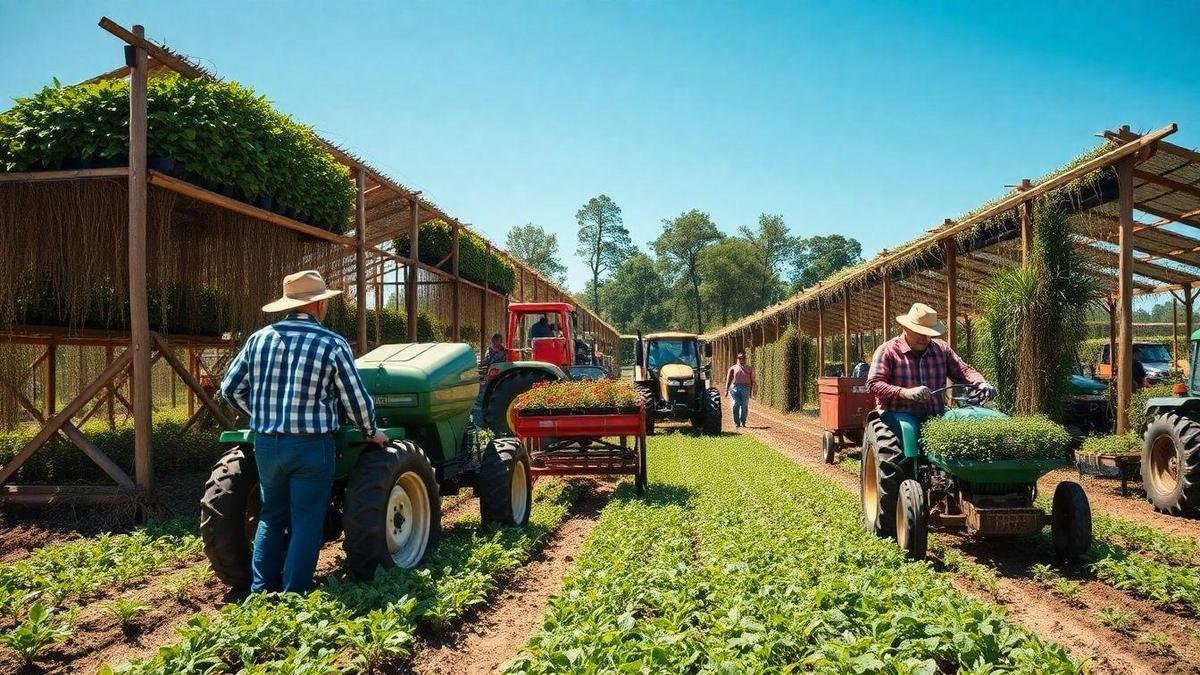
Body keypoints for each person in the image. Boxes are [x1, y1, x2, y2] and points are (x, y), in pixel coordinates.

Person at [220, 270, 385, 594]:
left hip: (268, 445)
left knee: (271, 515)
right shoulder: (332, 343)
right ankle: (294, 594)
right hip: (311, 447)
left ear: (287, 305)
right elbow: (354, 398)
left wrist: (263, 414)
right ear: (320, 304)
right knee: (307, 519)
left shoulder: (259, 339)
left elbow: (230, 389)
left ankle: (261, 590)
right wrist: (371, 431)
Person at [867, 303, 995, 421]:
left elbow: (963, 371)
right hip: (899, 415)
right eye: (919, 332)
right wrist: (905, 393)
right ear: (904, 328)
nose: (924, 338)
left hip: (936, 414)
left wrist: (981, 383)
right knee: (907, 430)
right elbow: (873, 384)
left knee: (964, 419)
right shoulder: (888, 350)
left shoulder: (941, 349)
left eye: (928, 333)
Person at [726, 352, 755, 428]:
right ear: (737, 359)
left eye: (743, 358)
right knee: (735, 404)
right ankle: (737, 422)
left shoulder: (749, 368)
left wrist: (752, 391)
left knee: (744, 405)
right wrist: (726, 390)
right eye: (740, 358)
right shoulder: (733, 368)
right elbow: (729, 379)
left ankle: (743, 421)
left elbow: (752, 380)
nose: (742, 359)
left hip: (746, 388)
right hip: (735, 388)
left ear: (745, 359)